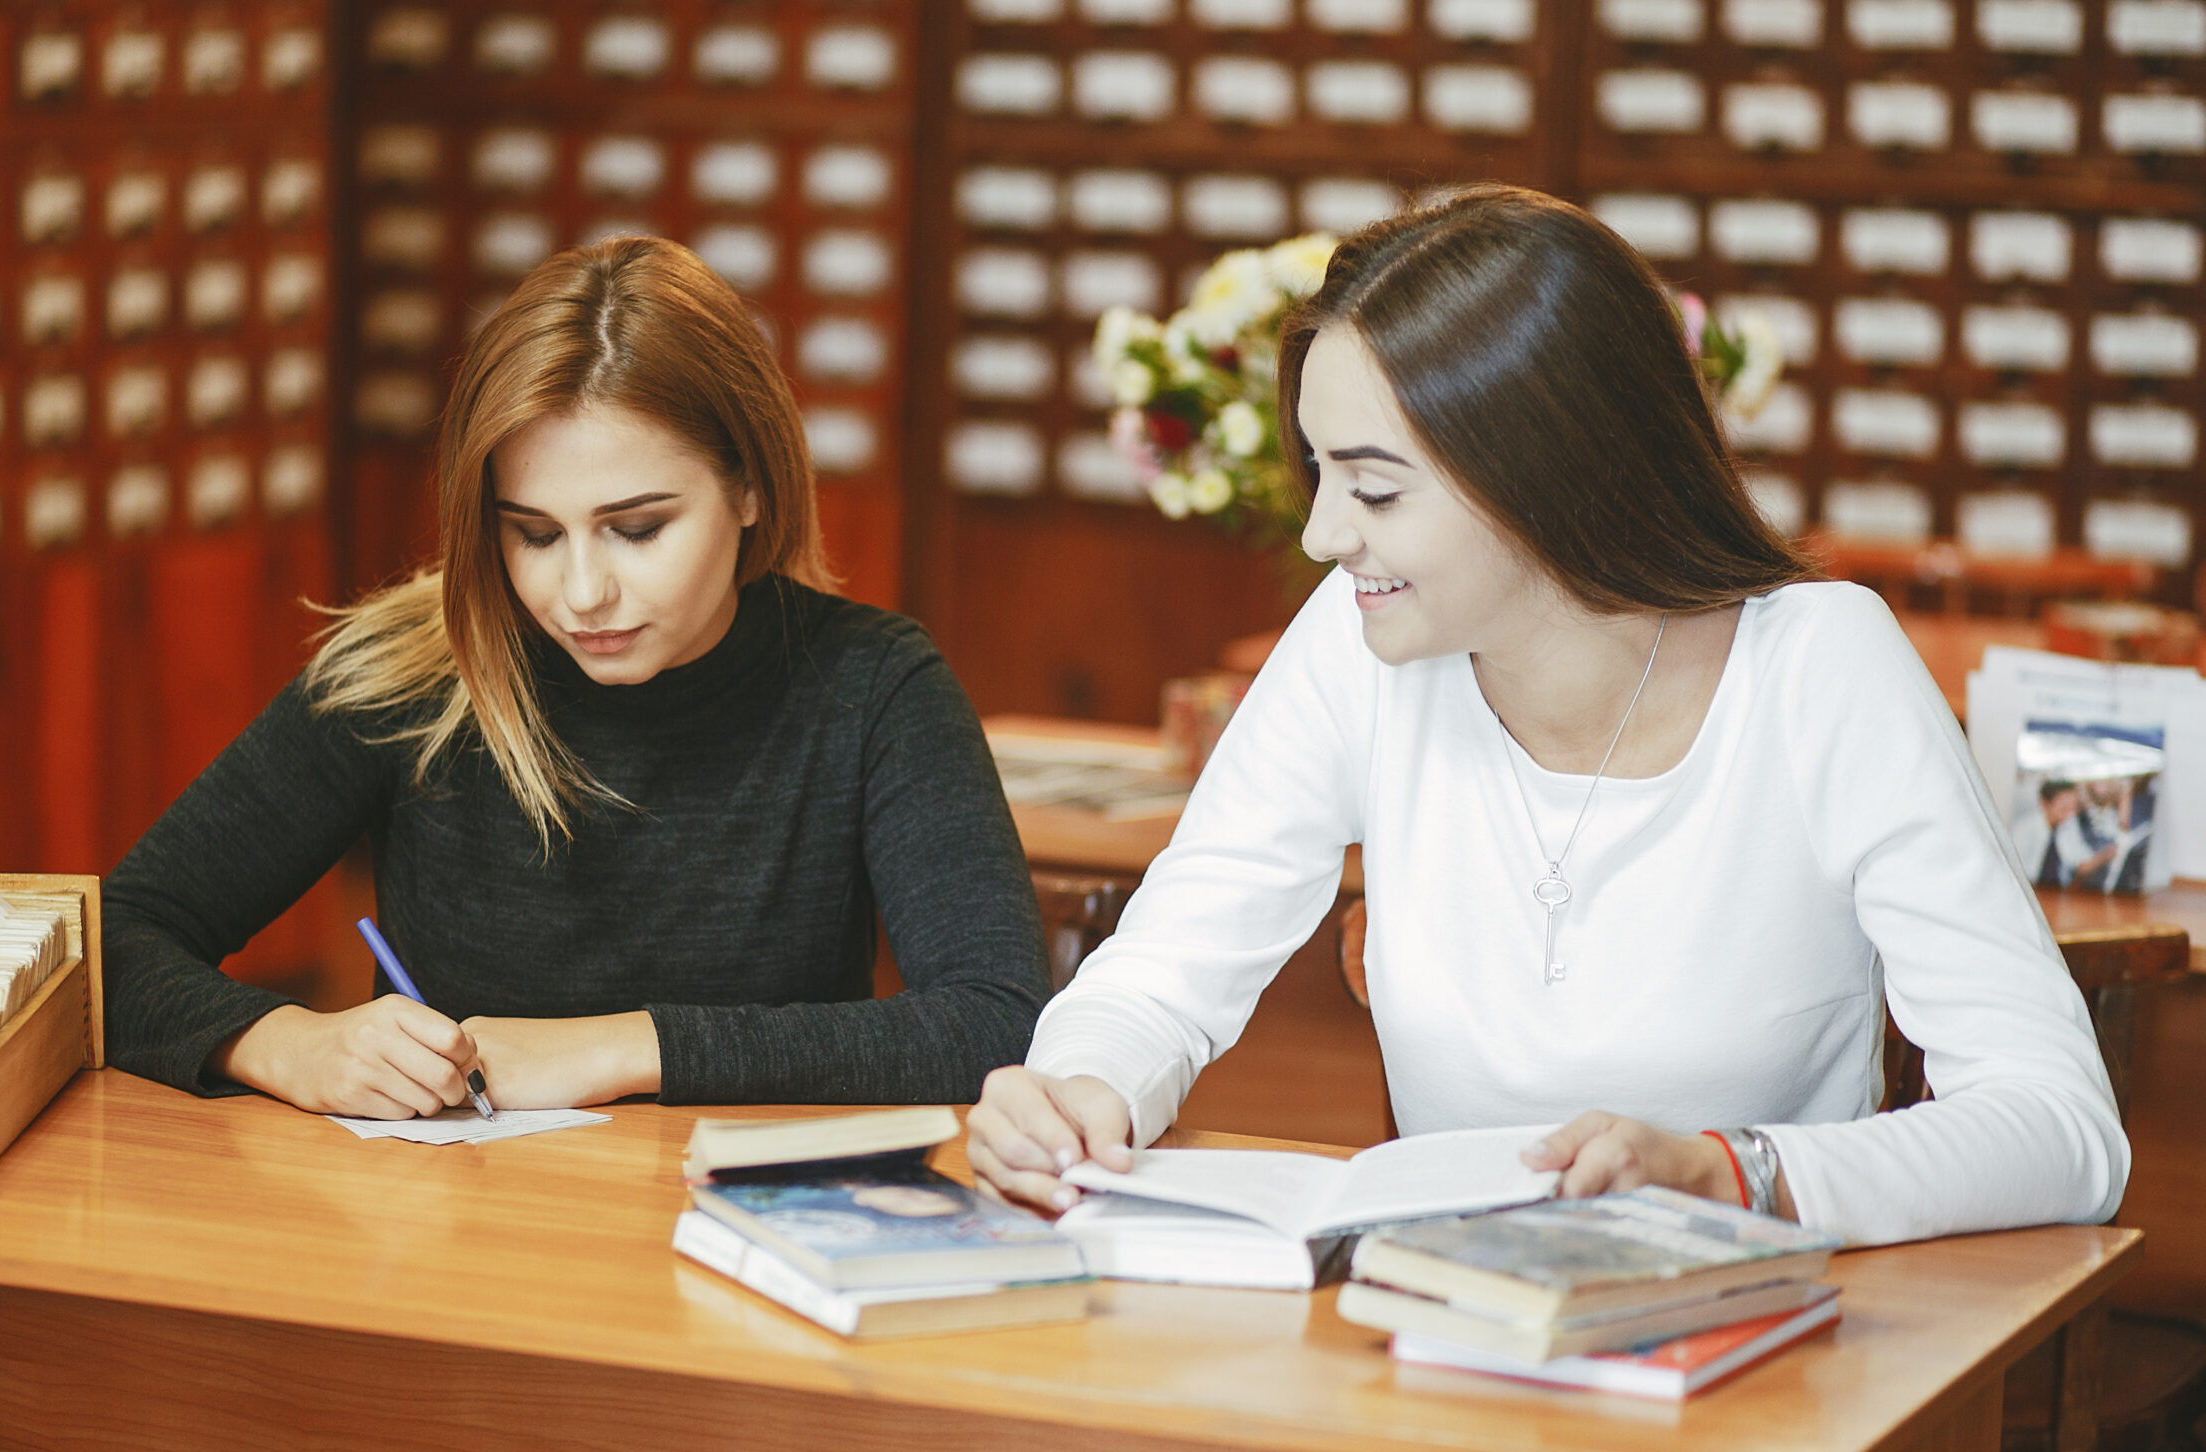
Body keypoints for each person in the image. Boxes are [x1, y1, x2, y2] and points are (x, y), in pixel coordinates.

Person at [968, 187, 2127, 1248]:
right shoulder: (1360, 645)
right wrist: (1081, 1090)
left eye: (1374, 488)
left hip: (1765, 1356)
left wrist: (1732, 1173)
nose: (1326, 534)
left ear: (1545, 475)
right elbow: (1167, 969)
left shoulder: (1821, 670)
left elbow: (2060, 1127)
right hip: (1441, 1321)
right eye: (1318, 474)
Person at [104, 236, 1048, 1116]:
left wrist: (623, 1049)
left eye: (637, 529)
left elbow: (995, 1019)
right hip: (457, 1240)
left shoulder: (876, 687)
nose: (584, 591)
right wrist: (288, 1045)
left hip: (742, 1245)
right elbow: (113, 936)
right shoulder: (411, 673)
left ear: (751, 486)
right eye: (535, 534)